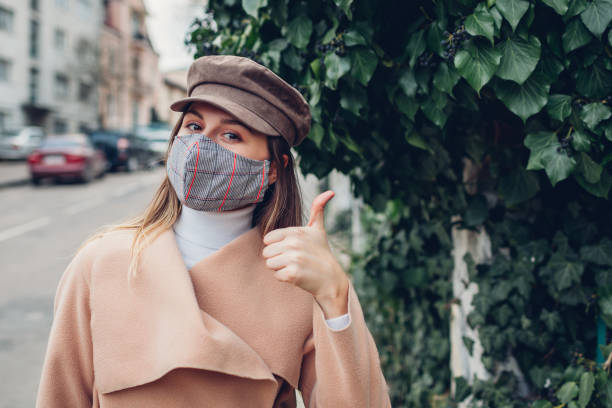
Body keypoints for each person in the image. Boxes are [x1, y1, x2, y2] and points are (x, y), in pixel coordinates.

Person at [35, 55, 392, 407]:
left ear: (273, 169)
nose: (201, 146)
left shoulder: (300, 279)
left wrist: (334, 297)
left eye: (231, 134)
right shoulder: (102, 262)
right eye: (193, 127)